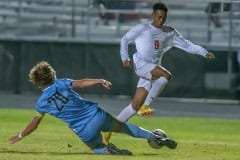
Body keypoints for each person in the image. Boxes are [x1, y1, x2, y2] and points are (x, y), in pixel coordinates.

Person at [102, 2, 215, 144]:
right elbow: (125, 39)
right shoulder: (142, 28)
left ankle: (108, 129)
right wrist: (125, 57)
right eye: (159, 17)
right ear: (153, 16)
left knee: (134, 106)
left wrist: (204, 52)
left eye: (163, 18)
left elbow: (187, 45)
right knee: (166, 75)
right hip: (141, 64)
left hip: (152, 69)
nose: (161, 20)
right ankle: (146, 105)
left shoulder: (169, 33)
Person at [9, 61, 177, 155]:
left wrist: (20, 135)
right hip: (97, 116)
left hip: (83, 130)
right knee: (126, 128)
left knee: (96, 148)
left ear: (38, 83)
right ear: (52, 75)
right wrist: (99, 80)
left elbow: (34, 124)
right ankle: (154, 137)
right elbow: (81, 83)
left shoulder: (41, 103)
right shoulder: (62, 83)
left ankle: (107, 151)